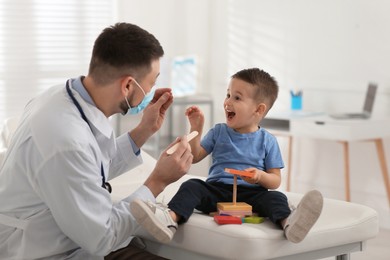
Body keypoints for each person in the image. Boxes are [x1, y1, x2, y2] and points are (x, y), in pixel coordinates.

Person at [0, 22, 194, 259]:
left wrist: (144, 130)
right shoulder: (65, 141)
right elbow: (102, 237)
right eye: (152, 83)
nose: (152, 91)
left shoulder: (62, 98)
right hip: (46, 252)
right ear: (128, 85)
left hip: (71, 240)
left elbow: (89, 167)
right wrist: (158, 181)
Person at [131, 68, 324, 244]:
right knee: (192, 186)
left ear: (258, 110)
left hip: (253, 195)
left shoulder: (268, 140)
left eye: (237, 98)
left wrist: (259, 176)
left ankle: (289, 223)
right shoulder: (218, 132)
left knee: (276, 197)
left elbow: (274, 181)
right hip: (216, 190)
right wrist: (196, 128)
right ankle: (169, 220)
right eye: (228, 95)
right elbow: (196, 155)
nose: (228, 102)